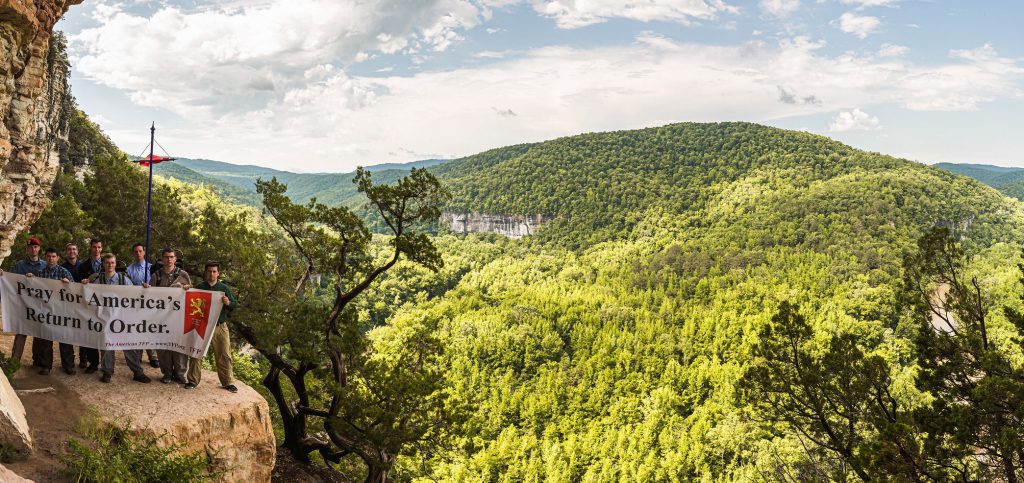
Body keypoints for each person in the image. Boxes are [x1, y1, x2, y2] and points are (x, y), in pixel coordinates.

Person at [83, 253, 150, 384]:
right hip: (106, 318)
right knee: (107, 346)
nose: (110, 265)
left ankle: (137, 372)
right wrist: (85, 284)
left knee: (128, 345)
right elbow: (89, 295)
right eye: (107, 263)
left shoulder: (123, 279)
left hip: (122, 318)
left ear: (115, 264)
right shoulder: (98, 280)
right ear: (103, 264)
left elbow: (135, 294)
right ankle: (107, 372)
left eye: (112, 262)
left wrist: (144, 289)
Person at [186, 261, 237, 392]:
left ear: (218, 273)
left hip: (220, 326)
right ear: (205, 272)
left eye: (214, 271)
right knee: (196, 353)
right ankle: (193, 380)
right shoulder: (199, 287)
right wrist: (187, 290)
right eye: (209, 271)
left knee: (224, 354)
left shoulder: (223, 288)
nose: (212, 274)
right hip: (202, 325)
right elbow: (189, 302)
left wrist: (228, 302)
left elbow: (233, 305)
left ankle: (227, 382)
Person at [22, 248, 73, 375]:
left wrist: (69, 284)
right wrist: (29, 279)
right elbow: (32, 289)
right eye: (49, 256)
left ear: (58, 258)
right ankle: (46, 366)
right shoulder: (40, 273)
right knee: (45, 340)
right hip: (45, 312)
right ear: (45, 257)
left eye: (54, 256)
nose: (51, 259)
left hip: (61, 312)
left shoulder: (64, 272)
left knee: (65, 339)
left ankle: (68, 366)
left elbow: (75, 292)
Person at [146, 248, 191, 384]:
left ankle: (180, 373)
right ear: (162, 259)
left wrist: (187, 288)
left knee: (179, 346)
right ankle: (167, 373)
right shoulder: (156, 275)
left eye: (172, 257)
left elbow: (191, 291)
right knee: (163, 346)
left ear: (175, 259)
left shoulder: (183, 275)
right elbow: (150, 297)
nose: (169, 259)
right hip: (162, 318)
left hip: (178, 318)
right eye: (166, 257)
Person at [6, 237, 46, 368]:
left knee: (39, 334)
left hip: (40, 306)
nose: (33, 249)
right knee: (21, 333)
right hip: (23, 306)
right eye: (30, 247)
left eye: (35, 247)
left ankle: (37, 361)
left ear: (39, 248)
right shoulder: (20, 265)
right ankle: (14, 362)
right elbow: (9, 280)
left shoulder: (45, 265)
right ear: (27, 250)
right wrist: (3, 275)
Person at [125, 243, 160, 368]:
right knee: (137, 328)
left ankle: (153, 356)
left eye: (140, 251)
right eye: (136, 251)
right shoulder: (129, 270)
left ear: (144, 252)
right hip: (135, 304)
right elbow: (127, 286)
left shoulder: (152, 268)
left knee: (149, 328)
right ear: (133, 254)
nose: (138, 253)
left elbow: (156, 285)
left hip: (149, 304)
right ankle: (137, 356)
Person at [74, 238, 104, 373]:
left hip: (105, 305)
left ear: (101, 249)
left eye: (99, 247)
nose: (96, 250)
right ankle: (93, 363)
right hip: (88, 305)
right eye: (94, 247)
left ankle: (106, 365)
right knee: (90, 333)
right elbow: (77, 286)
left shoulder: (108, 263)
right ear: (90, 248)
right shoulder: (83, 266)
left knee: (104, 334)